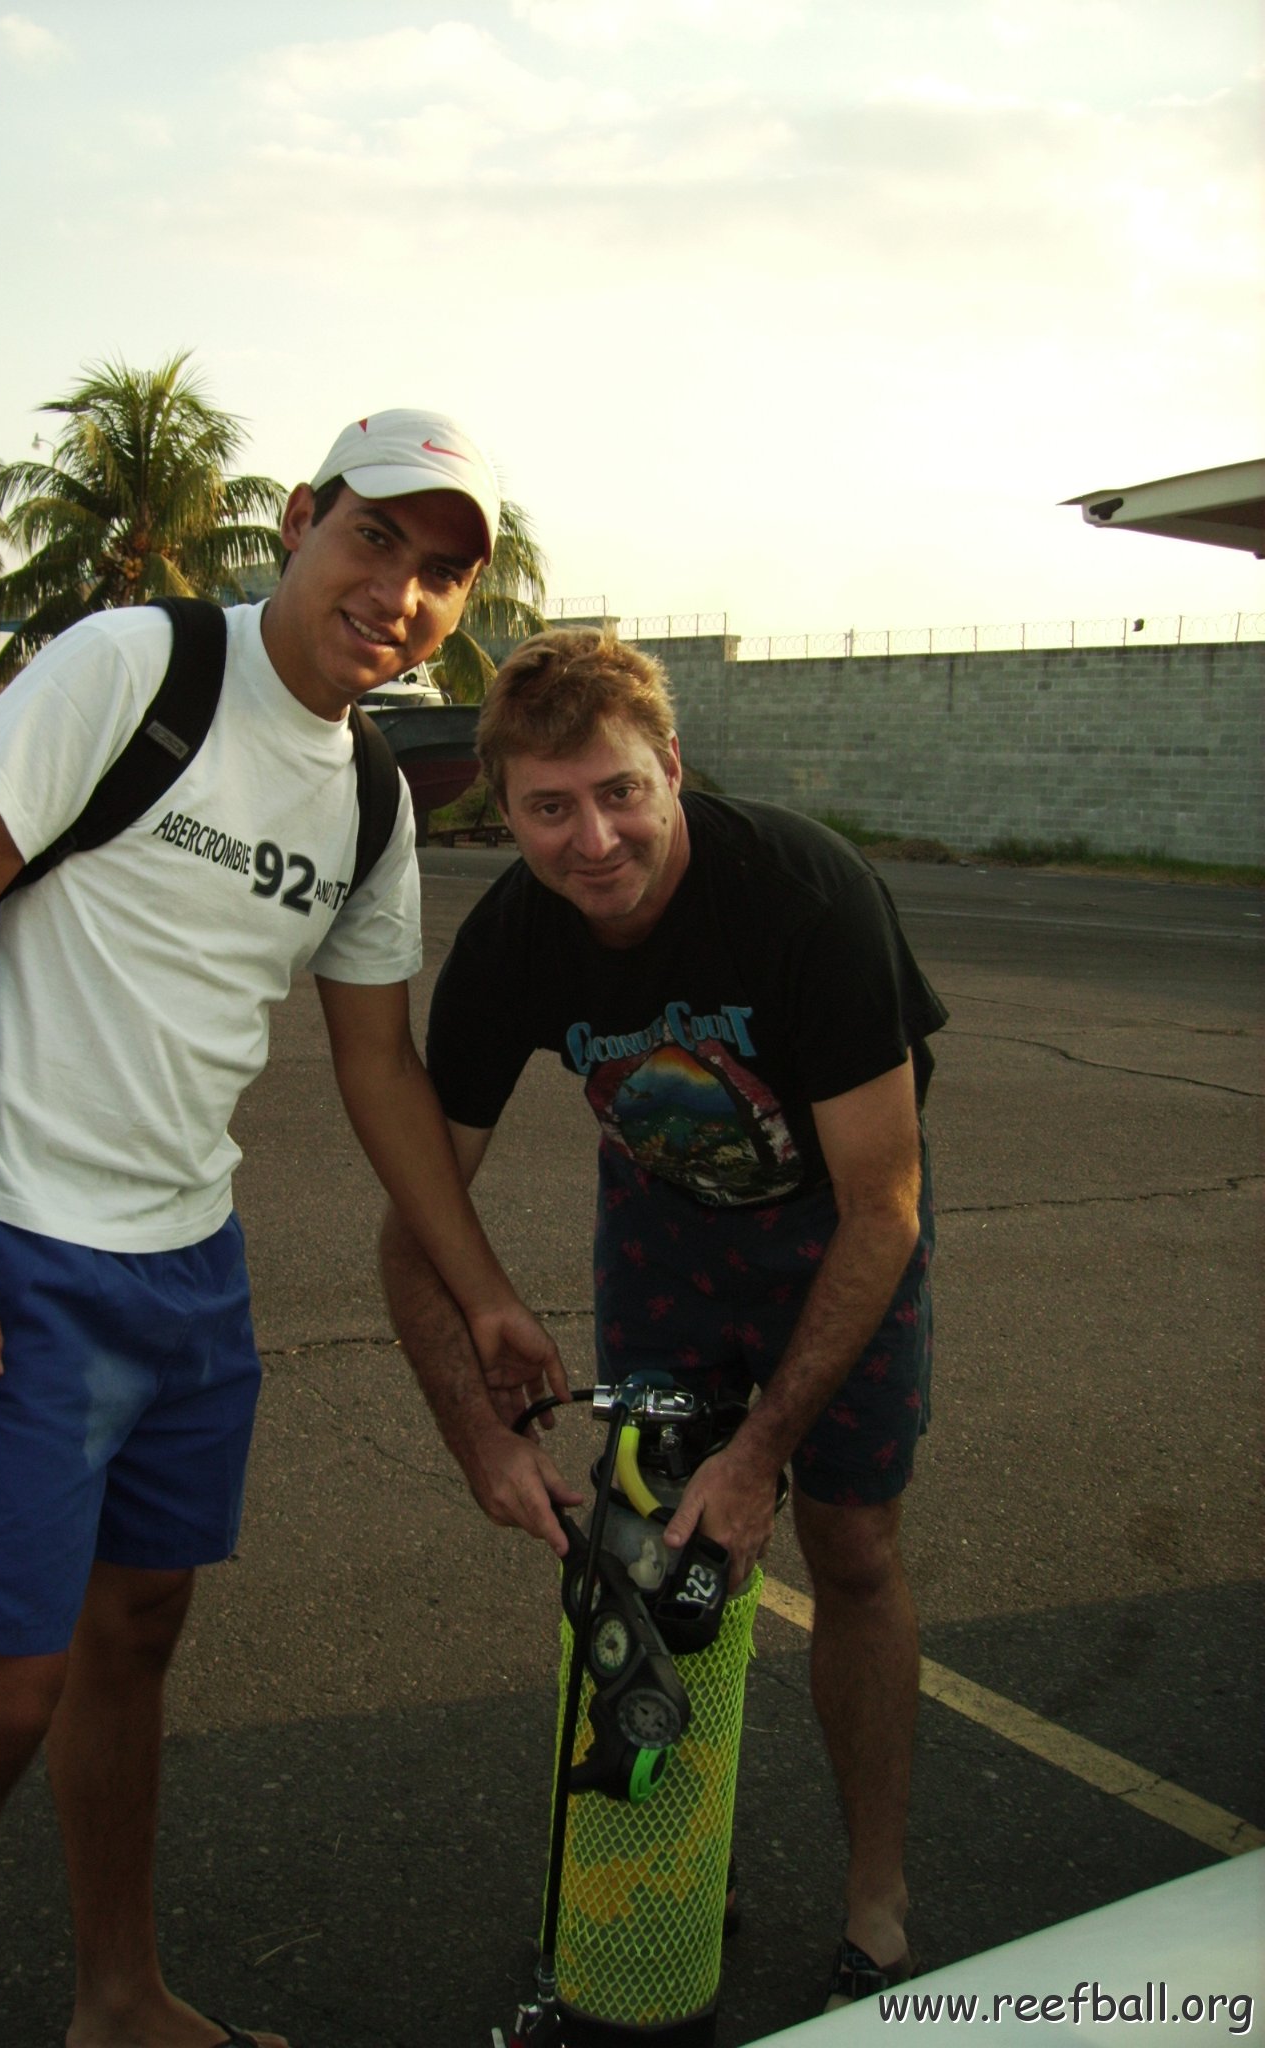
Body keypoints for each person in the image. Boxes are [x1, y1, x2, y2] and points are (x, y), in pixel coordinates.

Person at [0, 408, 565, 2048]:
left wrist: (486, 1298)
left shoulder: (374, 800)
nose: (400, 589)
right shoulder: (136, 667)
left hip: (192, 1274)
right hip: (17, 1248)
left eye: (445, 571)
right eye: (376, 538)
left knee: (140, 1640)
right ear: (304, 520)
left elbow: (378, 1065)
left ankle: (119, 1999)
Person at [378, 625, 947, 2011]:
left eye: (621, 792)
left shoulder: (803, 893)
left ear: (673, 770)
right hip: (664, 1238)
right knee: (649, 1556)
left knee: (852, 1547)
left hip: (836, 1235)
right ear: (503, 811)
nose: (593, 838)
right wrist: (475, 1437)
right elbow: (415, 1223)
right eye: (551, 807)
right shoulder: (512, 942)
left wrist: (762, 1458)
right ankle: (680, 1860)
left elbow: (885, 1206)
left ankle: (879, 1886)